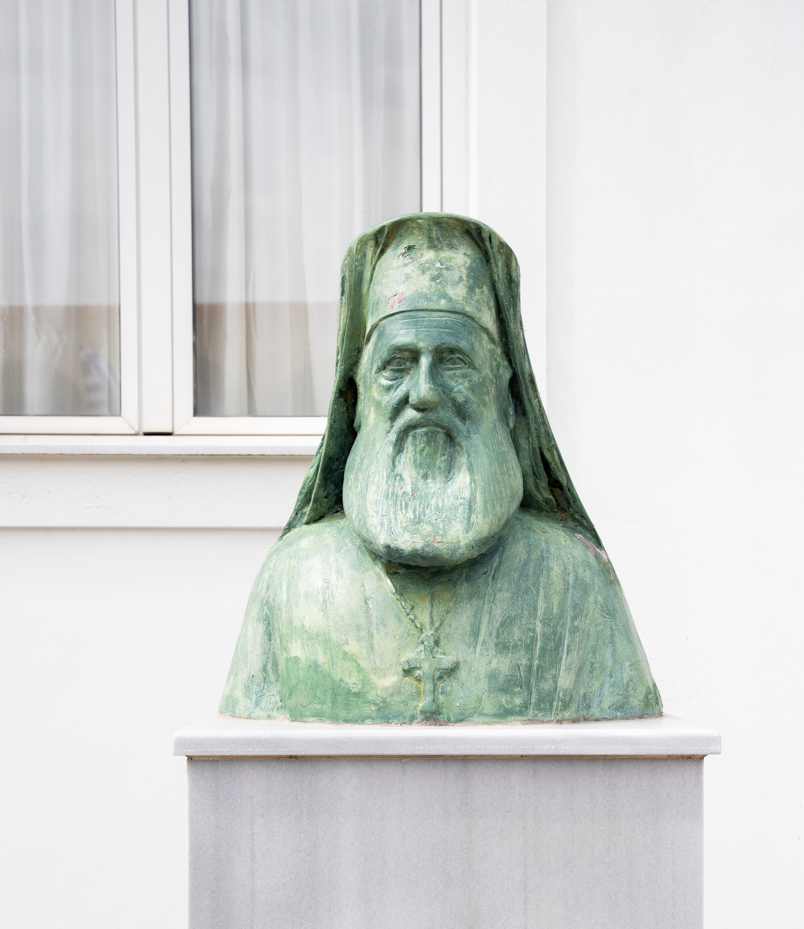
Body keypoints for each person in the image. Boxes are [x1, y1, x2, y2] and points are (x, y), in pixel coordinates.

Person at [221, 213, 661, 723]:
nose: (425, 392)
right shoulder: (291, 579)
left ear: (506, 395)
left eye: (454, 360)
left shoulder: (575, 580)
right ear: (356, 400)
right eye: (397, 365)